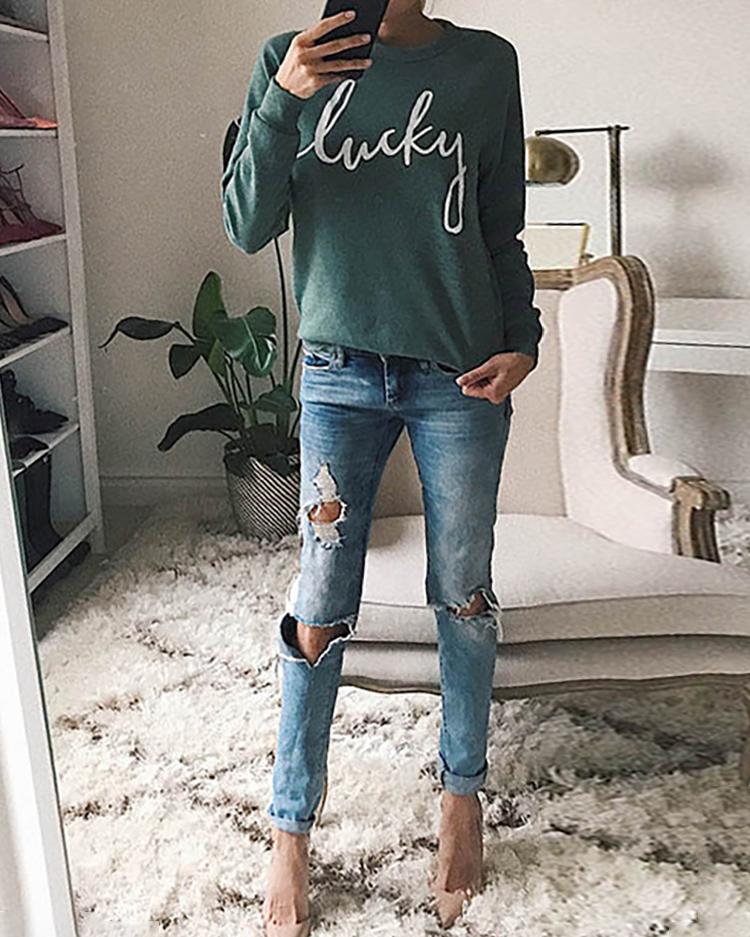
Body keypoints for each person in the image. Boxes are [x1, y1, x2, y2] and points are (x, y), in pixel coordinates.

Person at [221, 2, 543, 933]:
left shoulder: (486, 65)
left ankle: (461, 798)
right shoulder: (290, 61)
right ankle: (289, 828)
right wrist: (286, 98)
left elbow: (500, 227)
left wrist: (523, 337)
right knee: (321, 602)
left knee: (464, 592)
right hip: (337, 375)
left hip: (461, 376)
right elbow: (246, 223)